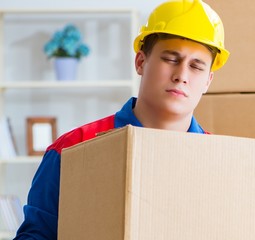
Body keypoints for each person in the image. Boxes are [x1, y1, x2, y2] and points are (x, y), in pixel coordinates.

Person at [14, 0, 229, 239]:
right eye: (171, 59)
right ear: (140, 62)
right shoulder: (73, 149)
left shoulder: (219, 162)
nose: (181, 76)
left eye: (196, 66)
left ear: (208, 81)